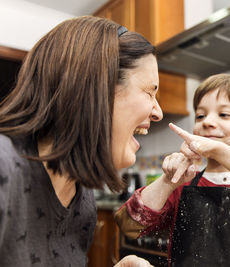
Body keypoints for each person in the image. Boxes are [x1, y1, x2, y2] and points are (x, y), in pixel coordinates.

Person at [0, 16, 162, 267]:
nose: (158, 112)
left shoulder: (82, 199)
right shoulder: (4, 167)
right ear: (98, 87)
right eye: (149, 91)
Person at [115, 73, 230, 267]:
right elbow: (128, 225)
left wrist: (218, 149)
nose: (207, 122)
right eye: (200, 115)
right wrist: (168, 182)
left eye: (224, 114)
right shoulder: (182, 184)